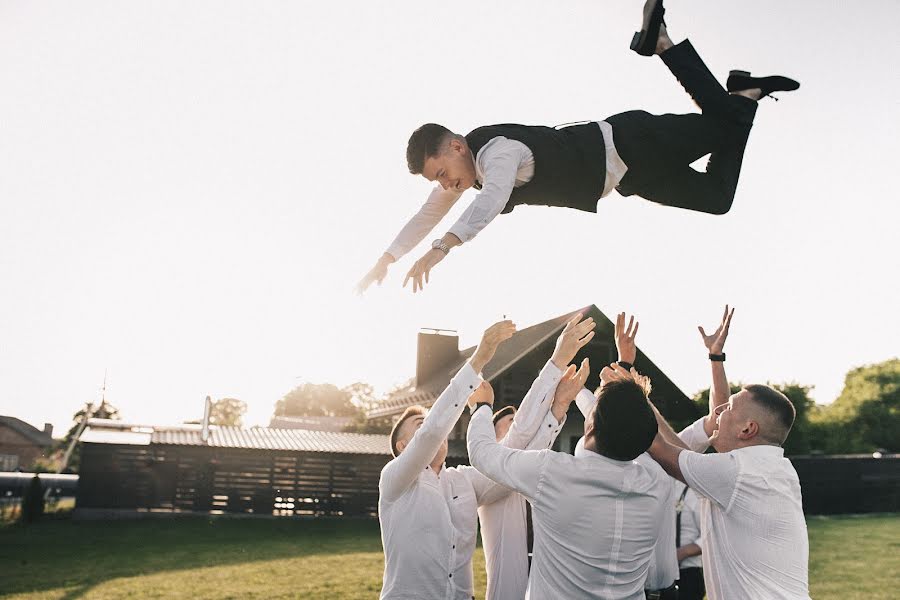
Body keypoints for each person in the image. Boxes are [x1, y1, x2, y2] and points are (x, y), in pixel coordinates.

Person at [356, 0, 800, 294]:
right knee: (717, 197)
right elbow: (426, 214)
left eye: (441, 174)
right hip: (631, 177)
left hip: (631, 141)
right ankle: (739, 93)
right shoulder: (469, 172)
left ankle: (667, 45)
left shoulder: (496, 154)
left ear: (455, 146)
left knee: (724, 127)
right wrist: (386, 259)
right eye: (439, 182)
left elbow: (489, 202)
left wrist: (443, 247)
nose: (446, 186)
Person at [466, 352, 667, 598]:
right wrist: (589, 393)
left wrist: (482, 406)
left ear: (591, 425)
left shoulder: (552, 473)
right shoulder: (655, 482)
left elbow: (482, 453)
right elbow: (623, 424)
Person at [645, 311, 811, 600]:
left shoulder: (736, 472)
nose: (719, 414)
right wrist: (715, 358)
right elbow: (703, 432)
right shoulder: (771, 466)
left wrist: (633, 395)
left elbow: (660, 448)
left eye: (730, 409)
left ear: (748, 428)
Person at [378, 320, 516, 600]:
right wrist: (479, 359)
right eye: (420, 423)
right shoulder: (395, 479)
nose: (431, 426)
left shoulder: (463, 479)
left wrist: (555, 407)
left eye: (429, 420)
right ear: (403, 446)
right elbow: (431, 433)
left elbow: (509, 470)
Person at [478, 314, 594, 600]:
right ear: (492, 440)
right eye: (506, 423)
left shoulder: (529, 473)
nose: (515, 425)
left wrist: (560, 405)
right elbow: (521, 437)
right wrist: (555, 363)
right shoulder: (486, 477)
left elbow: (536, 441)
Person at [674, 483, 705, 600]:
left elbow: (710, 536)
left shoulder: (696, 493)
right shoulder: (661, 485)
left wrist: (682, 552)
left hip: (689, 574)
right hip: (662, 576)